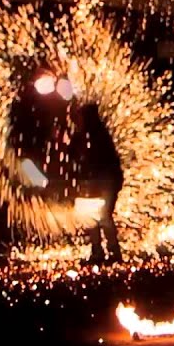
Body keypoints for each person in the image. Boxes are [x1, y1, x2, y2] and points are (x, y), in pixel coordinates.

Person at [70, 102, 124, 263]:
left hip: (105, 182)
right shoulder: (89, 135)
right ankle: (100, 252)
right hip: (99, 183)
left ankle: (112, 253)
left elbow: (95, 161)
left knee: (103, 216)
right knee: (93, 217)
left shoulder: (96, 136)